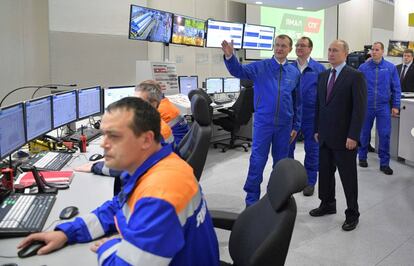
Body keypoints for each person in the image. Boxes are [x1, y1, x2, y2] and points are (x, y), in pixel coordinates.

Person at [18, 97, 219, 265]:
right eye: (104, 134)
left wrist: (107, 246)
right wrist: (67, 233)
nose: (104, 144)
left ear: (147, 139)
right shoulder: (160, 164)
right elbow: (118, 207)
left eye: (113, 136)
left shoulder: (160, 193)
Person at [221, 34, 301, 206]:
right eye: (277, 45)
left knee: (280, 164)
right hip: (263, 123)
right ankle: (251, 201)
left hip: (285, 125)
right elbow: (238, 71)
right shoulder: (260, 67)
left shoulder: (294, 72)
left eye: (283, 46)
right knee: (257, 161)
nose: (279, 48)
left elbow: (297, 101)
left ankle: (277, 197)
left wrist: (296, 125)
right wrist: (230, 57)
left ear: (290, 49)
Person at [310, 40, 367, 232]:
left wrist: (354, 136)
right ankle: (327, 204)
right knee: (325, 174)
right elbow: (319, 105)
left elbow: (359, 110)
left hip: (345, 139)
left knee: (348, 177)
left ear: (345, 53)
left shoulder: (355, 76)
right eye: (329, 50)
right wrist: (317, 129)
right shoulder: (323, 75)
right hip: (325, 136)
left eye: (335, 50)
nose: (331, 53)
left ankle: (352, 213)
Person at [288, 36, 326, 196]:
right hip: (291, 115)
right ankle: (288, 180)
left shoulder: (319, 69)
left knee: (312, 150)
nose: (299, 48)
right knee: (287, 148)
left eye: (303, 45)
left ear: (310, 49)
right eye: (297, 45)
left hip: (311, 116)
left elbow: (324, 96)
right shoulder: (289, 67)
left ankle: (310, 182)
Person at [357, 42, 401, 175]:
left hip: (383, 106)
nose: (374, 52)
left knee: (385, 134)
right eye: (372, 50)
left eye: (377, 50)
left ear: (382, 52)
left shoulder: (390, 68)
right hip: (367, 106)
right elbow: (357, 88)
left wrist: (395, 105)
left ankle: (384, 163)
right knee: (364, 133)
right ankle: (362, 157)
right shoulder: (363, 67)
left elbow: (396, 88)